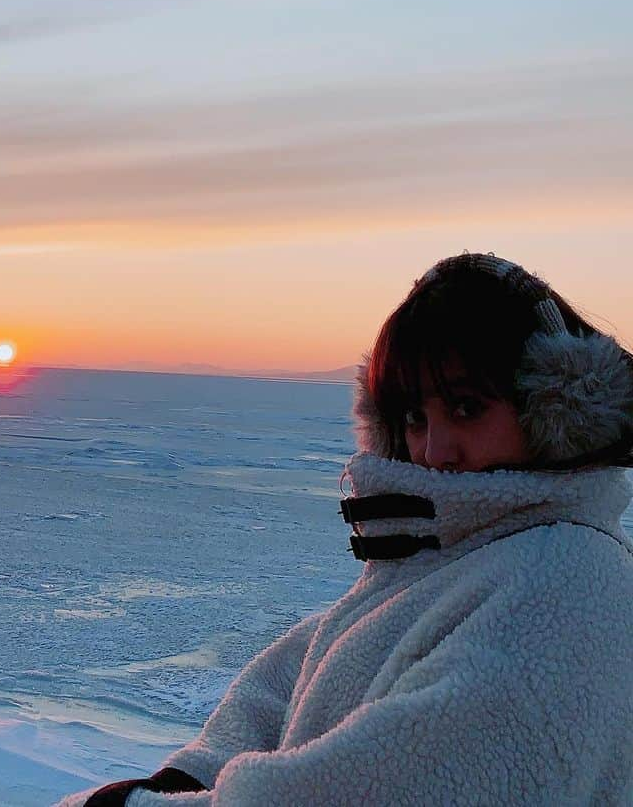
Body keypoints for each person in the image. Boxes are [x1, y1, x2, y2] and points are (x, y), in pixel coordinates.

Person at [50, 251, 633, 806]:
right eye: (413, 417)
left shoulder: (566, 582)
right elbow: (288, 682)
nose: (434, 451)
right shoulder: (441, 565)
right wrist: (188, 776)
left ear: (551, 414)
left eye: (466, 408)